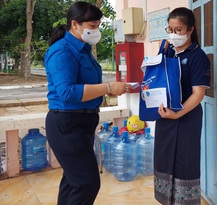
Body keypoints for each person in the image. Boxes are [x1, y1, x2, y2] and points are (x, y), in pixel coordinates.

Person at [44, 2, 132, 204]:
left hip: (83, 122)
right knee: (87, 183)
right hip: (67, 123)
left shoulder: (83, 49)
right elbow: (67, 92)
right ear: (75, 24)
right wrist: (108, 88)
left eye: (98, 25)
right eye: (92, 26)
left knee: (73, 179)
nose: (96, 30)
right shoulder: (62, 51)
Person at [154, 7, 211, 205]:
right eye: (170, 29)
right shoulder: (167, 51)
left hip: (186, 119)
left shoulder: (198, 57)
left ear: (190, 30)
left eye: (178, 30)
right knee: (164, 159)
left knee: (185, 163)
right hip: (165, 117)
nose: (173, 34)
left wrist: (177, 114)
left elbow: (198, 94)